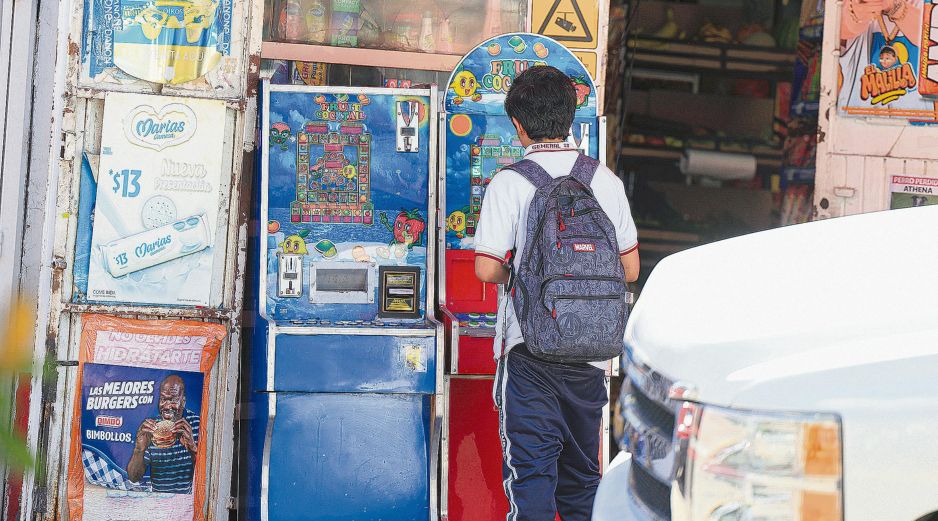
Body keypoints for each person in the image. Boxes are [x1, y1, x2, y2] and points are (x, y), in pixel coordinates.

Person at [473, 65, 639, 521]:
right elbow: (630, 267)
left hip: (529, 354)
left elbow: (486, 267)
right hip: (589, 358)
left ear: (518, 125)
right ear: (571, 116)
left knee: (531, 484)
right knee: (584, 484)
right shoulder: (604, 180)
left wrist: (523, 274)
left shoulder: (510, 182)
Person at [127, 375, 200, 493]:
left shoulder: (198, 425)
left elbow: (208, 477)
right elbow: (134, 477)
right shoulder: (151, 429)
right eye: (163, 399)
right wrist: (139, 449)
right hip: (157, 502)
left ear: (183, 402)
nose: (166, 406)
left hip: (187, 503)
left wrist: (193, 449)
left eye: (173, 400)